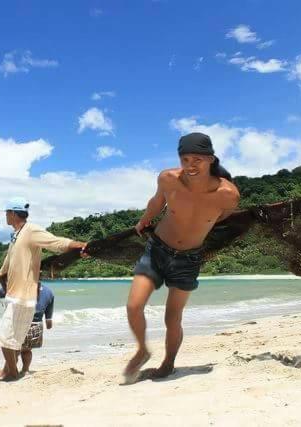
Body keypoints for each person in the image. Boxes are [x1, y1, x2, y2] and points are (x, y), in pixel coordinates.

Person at [124, 132, 240, 383]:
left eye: (197, 159)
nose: (190, 165)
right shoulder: (168, 179)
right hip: (157, 249)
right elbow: (157, 202)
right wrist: (145, 220)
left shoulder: (228, 194)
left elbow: (222, 217)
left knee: (172, 317)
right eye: (185, 159)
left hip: (188, 259)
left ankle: (168, 362)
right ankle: (142, 350)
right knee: (134, 305)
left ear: (210, 159)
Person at [0, 197, 87, 381]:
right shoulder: (17, 235)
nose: (5, 216)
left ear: (12, 213)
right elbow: (9, 260)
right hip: (15, 295)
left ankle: (12, 373)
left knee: (4, 337)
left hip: (23, 296)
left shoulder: (30, 230)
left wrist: (80, 245)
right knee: (12, 339)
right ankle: (8, 371)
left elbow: (55, 242)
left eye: (6, 212)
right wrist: (0, 273)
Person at [0, 282, 55, 374]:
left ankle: (6, 372)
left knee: (12, 351)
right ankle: (25, 370)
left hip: (21, 324)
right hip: (37, 326)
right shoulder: (49, 292)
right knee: (27, 350)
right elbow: (49, 321)